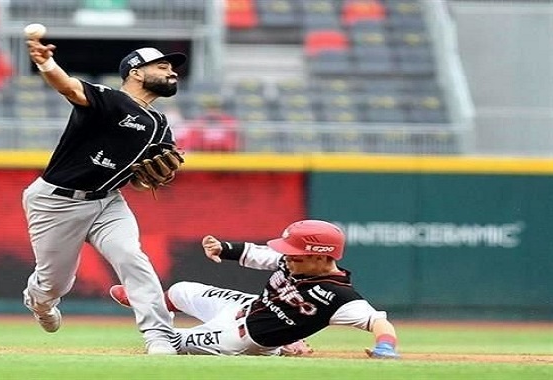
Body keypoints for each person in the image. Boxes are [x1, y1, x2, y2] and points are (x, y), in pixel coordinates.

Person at [22, 35, 188, 355]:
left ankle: (159, 335)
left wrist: (150, 180)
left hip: (108, 202)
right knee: (53, 283)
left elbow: (145, 177)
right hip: (55, 202)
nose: (173, 72)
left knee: (131, 257)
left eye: (173, 68)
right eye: (163, 66)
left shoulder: (158, 122)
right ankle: (39, 303)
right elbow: (69, 87)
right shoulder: (109, 99)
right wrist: (45, 62)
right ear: (136, 72)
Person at [109, 219, 400, 358]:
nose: (287, 257)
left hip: (243, 338)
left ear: (321, 257)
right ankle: (145, 302)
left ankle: (283, 347)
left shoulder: (340, 297)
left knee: (169, 344)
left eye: (295, 254)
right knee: (182, 289)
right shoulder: (294, 262)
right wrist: (224, 249)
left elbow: (378, 321)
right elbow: (259, 255)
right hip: (245, 306)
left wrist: (385, 347)